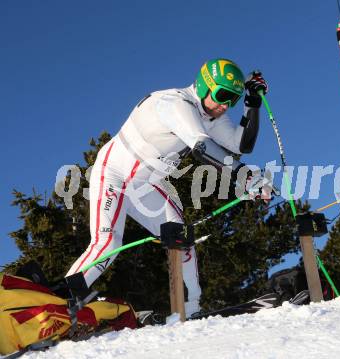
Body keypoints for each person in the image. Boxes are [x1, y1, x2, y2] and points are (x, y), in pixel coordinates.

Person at [65, 58, 272, 317]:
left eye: (232, 99)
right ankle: (61, 303)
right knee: (107, 243)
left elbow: (241, 145)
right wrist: (244, 175)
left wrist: (251, 103)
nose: (224, 105)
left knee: (182, 238)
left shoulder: (211, 116)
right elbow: (202, 147)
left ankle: (193, 307)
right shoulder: (176, 104)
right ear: (203, 86)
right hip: (113, 175)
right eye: (222, 95)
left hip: (145, 185)